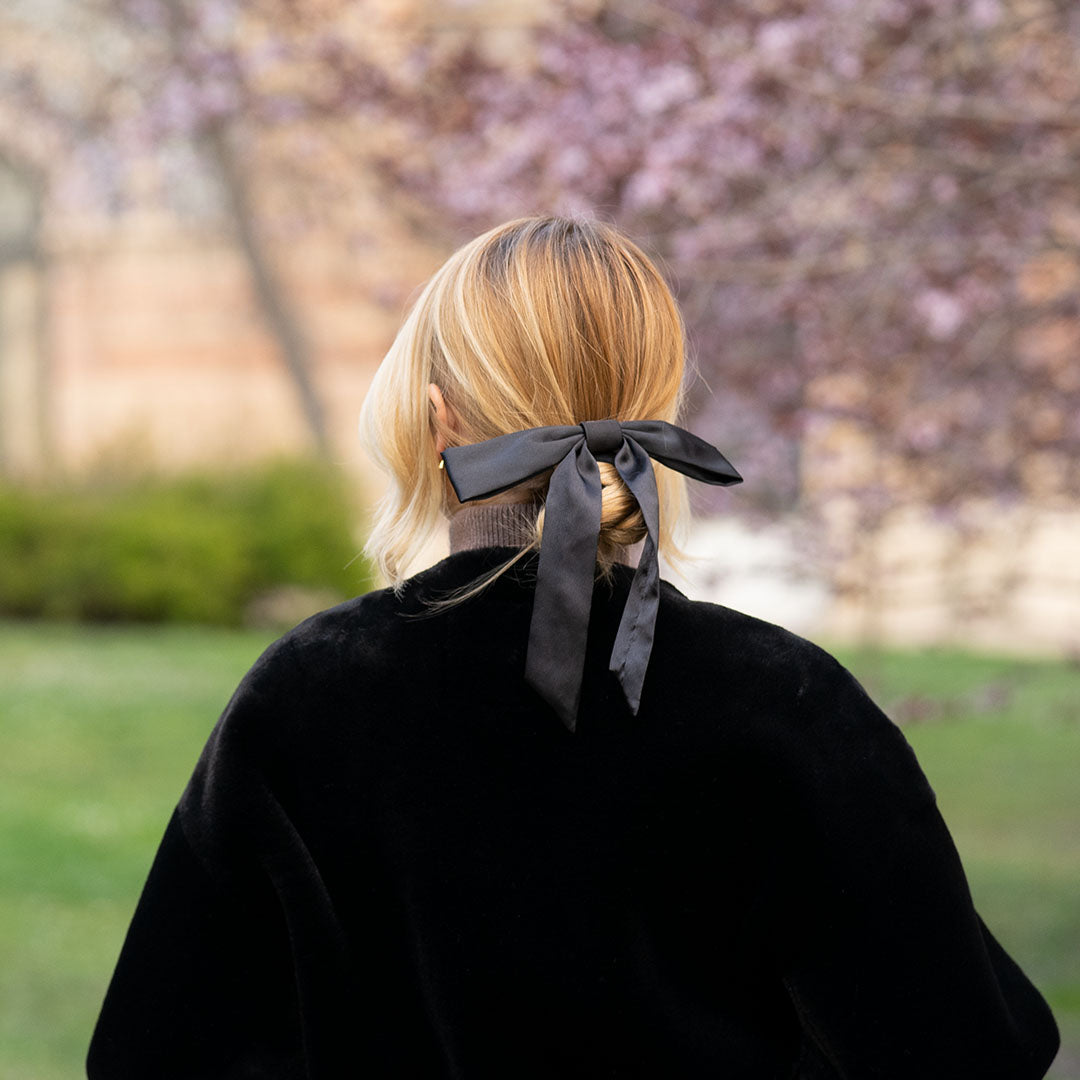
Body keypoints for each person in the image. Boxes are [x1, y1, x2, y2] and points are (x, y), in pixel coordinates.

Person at [87, 215, 1060, 1078]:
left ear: (438, 419)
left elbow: (156, 1051)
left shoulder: (309, 698)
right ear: (659, 417)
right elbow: (968, 1049)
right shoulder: (786, 702)